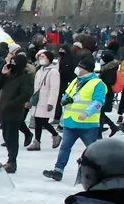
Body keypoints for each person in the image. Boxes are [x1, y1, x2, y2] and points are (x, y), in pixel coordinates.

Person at [43, 54, 106, 182]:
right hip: (70, 122)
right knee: (65, 147)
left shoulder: (97, 83)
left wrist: (87, 113)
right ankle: (58, 171)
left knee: (92, 151)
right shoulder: (75, 81)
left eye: (80, 67)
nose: (77, 68)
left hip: (87, 124)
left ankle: (101, 172)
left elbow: (99, 102)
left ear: (86, 69)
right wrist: (64, 100)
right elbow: (66, 94)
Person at [0, 52, 34, 173]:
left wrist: (11, 104)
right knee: (6, 136)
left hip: (14, 111)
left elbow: (25, 94)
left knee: (12, 137)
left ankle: (12, 161)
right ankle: (9, 159)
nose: (11, 65)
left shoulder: (25, 77)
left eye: (14, 63)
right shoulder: (9, 76)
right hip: (4, 110)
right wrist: (2, 74)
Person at [28, 49, 61, 151]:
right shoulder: (39, 71)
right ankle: (37, 141)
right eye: (40, 57)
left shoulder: (53, 72)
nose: (41, 59)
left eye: (43, 57)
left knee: (43, 122)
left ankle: (55, 135)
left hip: (46, 100)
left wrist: (51, 102)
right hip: (38, 100)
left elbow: (54, 88)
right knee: (38, 121)